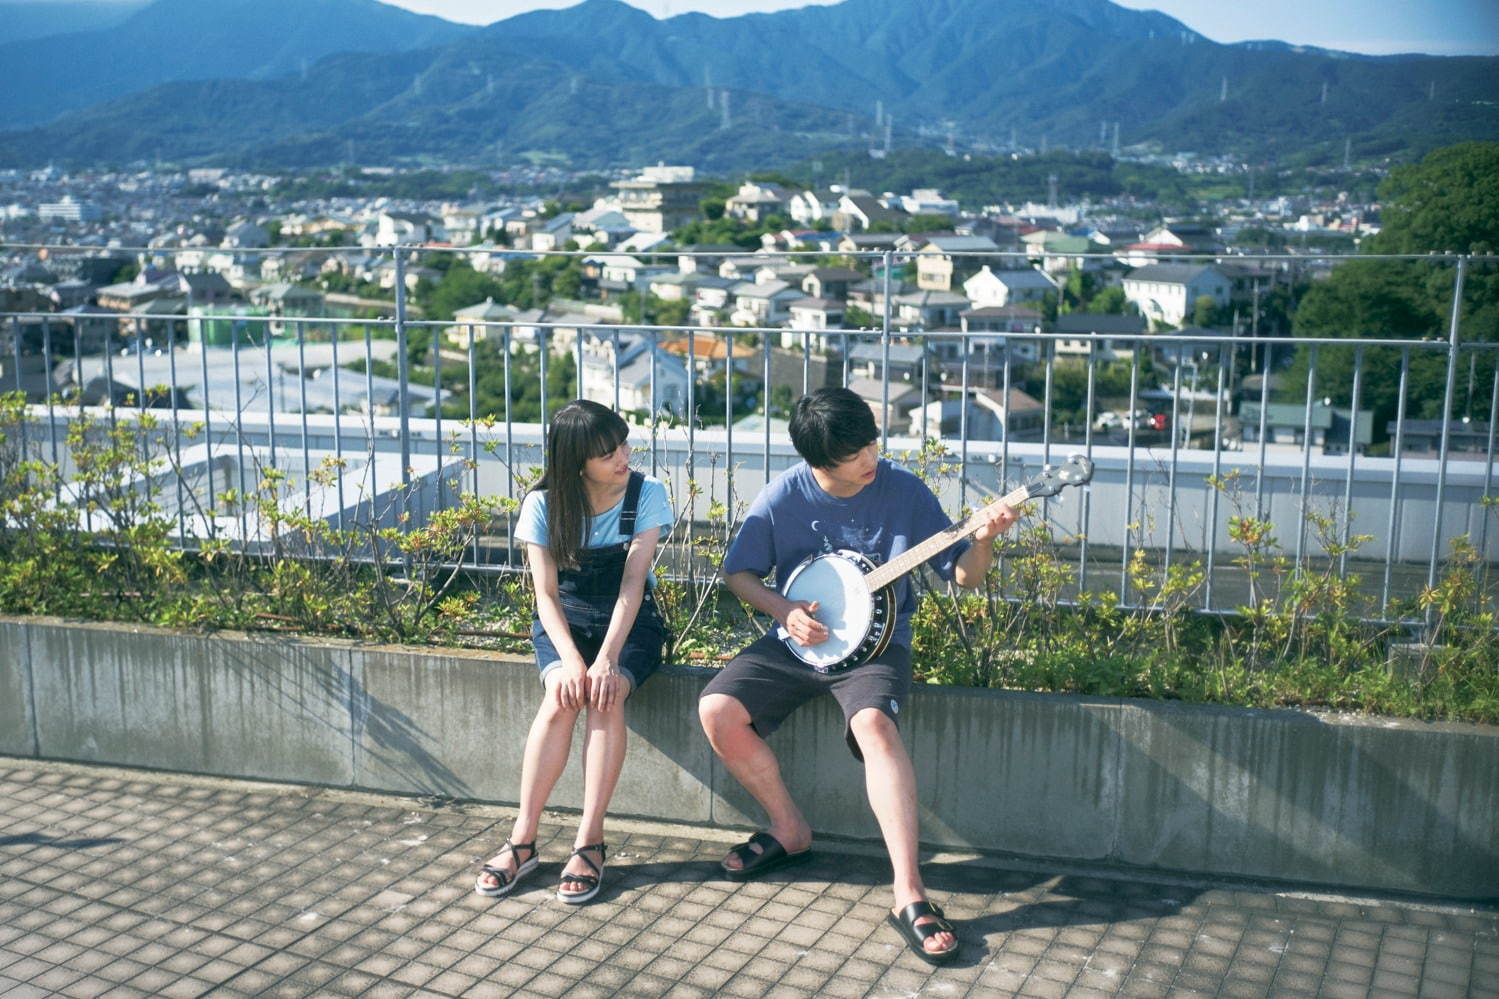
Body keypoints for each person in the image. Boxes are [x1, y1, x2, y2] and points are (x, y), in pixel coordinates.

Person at [698, 387, 1017, 964]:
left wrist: (986, 538)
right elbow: (739, 572)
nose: (871, 458)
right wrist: (784, 612)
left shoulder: (904, 492)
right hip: (798, 642)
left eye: (872, 442)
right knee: (716, 710)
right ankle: (789, 829)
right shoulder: (783, 496)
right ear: (820, 461)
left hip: (876, 648)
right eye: (855, 453)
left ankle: (909, 894)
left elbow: (963, 577)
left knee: (874, 726)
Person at [474, 400, 674, 905]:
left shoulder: (647, 494)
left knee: (606, 697)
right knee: (561, 698)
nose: (623, 456)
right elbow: (544, 593)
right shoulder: (542, 505)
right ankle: (523, 841)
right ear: (576, 461)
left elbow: (633, 583)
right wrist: (569, 658)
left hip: (631, 622)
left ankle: (590, 842)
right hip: (564, 619)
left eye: (623, 444)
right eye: (608, 453)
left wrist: (606, 658)